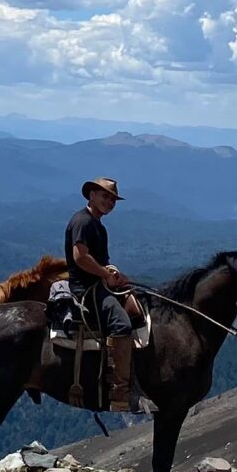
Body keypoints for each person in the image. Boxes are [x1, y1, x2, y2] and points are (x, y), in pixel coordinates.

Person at [65, 176, 148, 413]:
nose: (110, 202)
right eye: (105, 196)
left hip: (98, 283)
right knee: (121, 324)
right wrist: (105, 274)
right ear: (91, 195)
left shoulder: (96, 224)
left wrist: (114, 273)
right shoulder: (83, 221)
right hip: (87, 289)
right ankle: (120, 391)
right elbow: (80, 257)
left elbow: (100, 259)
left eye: (113, 199)